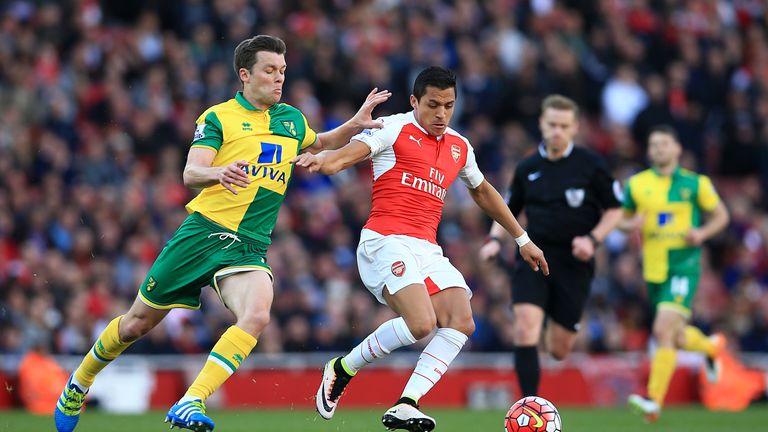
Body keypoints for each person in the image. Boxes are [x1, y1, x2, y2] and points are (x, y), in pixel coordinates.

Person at [53, 34, 391, 432]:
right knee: (135, 325)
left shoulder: (291, 119)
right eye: (269, 70)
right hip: (202, 235)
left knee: (258, 313)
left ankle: (191, 400)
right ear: (245, 75)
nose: (278, 78)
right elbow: (190, 172)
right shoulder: (218, 117)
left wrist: (355, 123)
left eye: (282, 70)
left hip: (249, 246)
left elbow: (320, 141)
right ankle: (80, 381)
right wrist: (219, 172)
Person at [292, 66, 548, 432]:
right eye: (432, 105)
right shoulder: (393, 127)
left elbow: (482, 191)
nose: (441, 114)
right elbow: (348, 155)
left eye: (449, 105)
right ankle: (342, 368)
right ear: (414, 101)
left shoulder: (460, 146)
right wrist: (324, 161)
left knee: (462, 321)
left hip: (426, 248)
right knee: (422, 323)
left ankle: (405, 403)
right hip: (384, 241)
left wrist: (522, 239)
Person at [478, 95, 623, 399]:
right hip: (534, 255)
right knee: (524, 328)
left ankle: (549, 326)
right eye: (552, 124)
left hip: (574, 262)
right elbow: (507, 209)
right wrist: (494, 240)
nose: (557, 131)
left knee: (559, 349)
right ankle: (529, 407)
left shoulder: (590, 165)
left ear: (574, 128)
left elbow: (615, 209)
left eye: (564, 126)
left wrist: (593, 239)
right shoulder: (527, 167)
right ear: (542, 125)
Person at [623, 125, 729, 422]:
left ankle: (653, 401)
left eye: (664, 144)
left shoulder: (696, 184)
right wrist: (629, 226)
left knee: (662, 331)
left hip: (683, 265)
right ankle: (711, 346)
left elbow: (722, 215)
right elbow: (620, 219)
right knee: (676, 336)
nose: (659, 149)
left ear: (677, 149)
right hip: (653, 268)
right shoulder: (637, 184)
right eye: (654, 144)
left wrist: (703, 232)